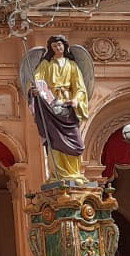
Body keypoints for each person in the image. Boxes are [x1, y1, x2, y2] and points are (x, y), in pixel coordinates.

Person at [27, 34, 89, 181]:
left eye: (60, 45)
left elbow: (80, 88)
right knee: (54, 141)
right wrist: (33, 90)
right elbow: (35, 81)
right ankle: (58, 175)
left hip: (68, 107)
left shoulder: (72, 65)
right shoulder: (45, 65)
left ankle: (74, 174)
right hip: (50, 106)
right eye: (54, 46)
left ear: (65, 46)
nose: (58, 48)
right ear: (51, 48)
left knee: (77, 142)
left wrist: (76, 100)